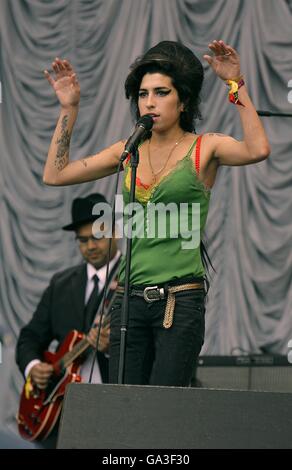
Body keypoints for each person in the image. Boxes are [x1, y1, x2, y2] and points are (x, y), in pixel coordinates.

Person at [42, 40, 270, 388]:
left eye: (161, 92)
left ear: (183, 101)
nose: (149, 101)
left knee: (165, 412)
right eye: (143, 93)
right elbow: (55, 175)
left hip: (179, 302)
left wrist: (235, 85)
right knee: (124, 409)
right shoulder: (128, 149)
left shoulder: (203, 147)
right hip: (128, 302)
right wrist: (69, 108)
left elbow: (257, 149)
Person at [16, 192, 121, 447]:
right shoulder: (61, 284)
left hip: (115, 409)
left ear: (115, 231)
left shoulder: (135, 281)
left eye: (97, 236)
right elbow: (30, 337)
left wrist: (110, 348)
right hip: (59, 412)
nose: (91, 246)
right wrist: (34, 367)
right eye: (83, 240)